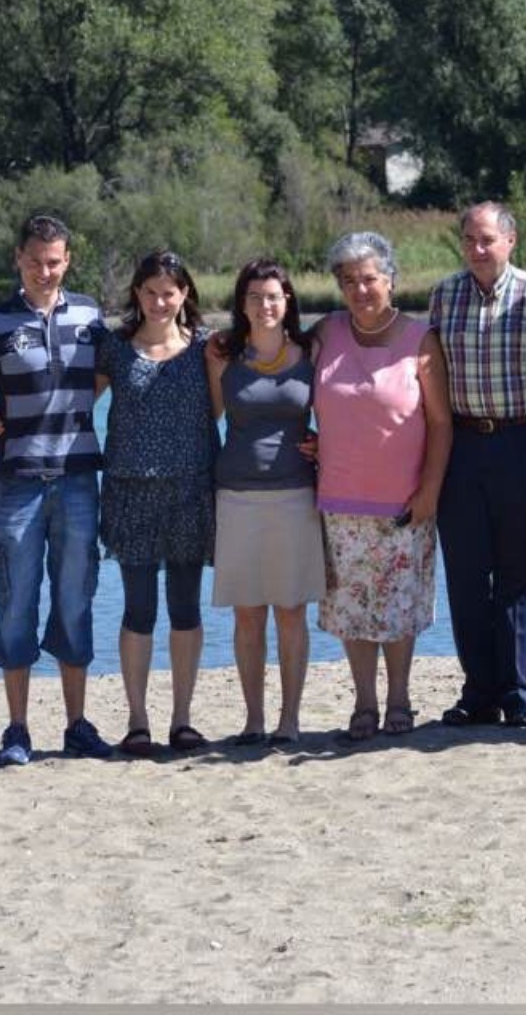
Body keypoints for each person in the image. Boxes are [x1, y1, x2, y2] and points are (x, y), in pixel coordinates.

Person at [0, 214, 112, 765]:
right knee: (15, 602)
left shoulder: (90, 316)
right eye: (36, 261)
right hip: (14, 485)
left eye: (55, 262)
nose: (45, 271)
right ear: (18, 258)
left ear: (68, 261)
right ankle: (17, 729)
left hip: (78, 481)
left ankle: (77, 726)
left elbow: (105, 376)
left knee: (75, 600)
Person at [431, 202, 526, 729]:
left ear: (510, 241)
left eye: (487, 239)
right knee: (466, 575)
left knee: (517, 574)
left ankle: (516, 692)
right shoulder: (444, 295)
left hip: (520, 443)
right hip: (461, 445)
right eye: (469, 239)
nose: (477, 249)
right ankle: (478, 693)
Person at [312, 232, 452, 740]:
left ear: (390, 280)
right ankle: (364, 703)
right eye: (349, 281)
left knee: (399, 607)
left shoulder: (420, 338)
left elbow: (440, 423)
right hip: (338, 497)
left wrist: (429, 490)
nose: (360, 289)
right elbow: (280, 378)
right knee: (350, 608)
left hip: (404, 500)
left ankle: (399, 699)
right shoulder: (326, 332)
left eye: (369, 278)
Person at [96, 250, 220, 756]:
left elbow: (225, 409)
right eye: (150, 292)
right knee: (139, 608)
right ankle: (137, 721)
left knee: (185, 608)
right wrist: (7, 419)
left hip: (191, 490)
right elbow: (72, 406)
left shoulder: (207, 348)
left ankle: (182, 719)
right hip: (131, 492)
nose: (159, 301)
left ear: (184, 294)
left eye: (169, 292)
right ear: (137, 294)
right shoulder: (115, 348)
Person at [206, 259, 325, 746]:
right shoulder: (222, 354)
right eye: (254, 297)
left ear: (287, 299)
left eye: (272, 296)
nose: (264, 305)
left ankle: (289, 719)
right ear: (242, 303)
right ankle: (254, 720)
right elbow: (206, 417)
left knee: (291, 611)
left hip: (296, 495)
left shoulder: (311, 352)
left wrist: (325, 443)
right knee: (248, 613)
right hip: (236, 496)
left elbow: (339, 411)